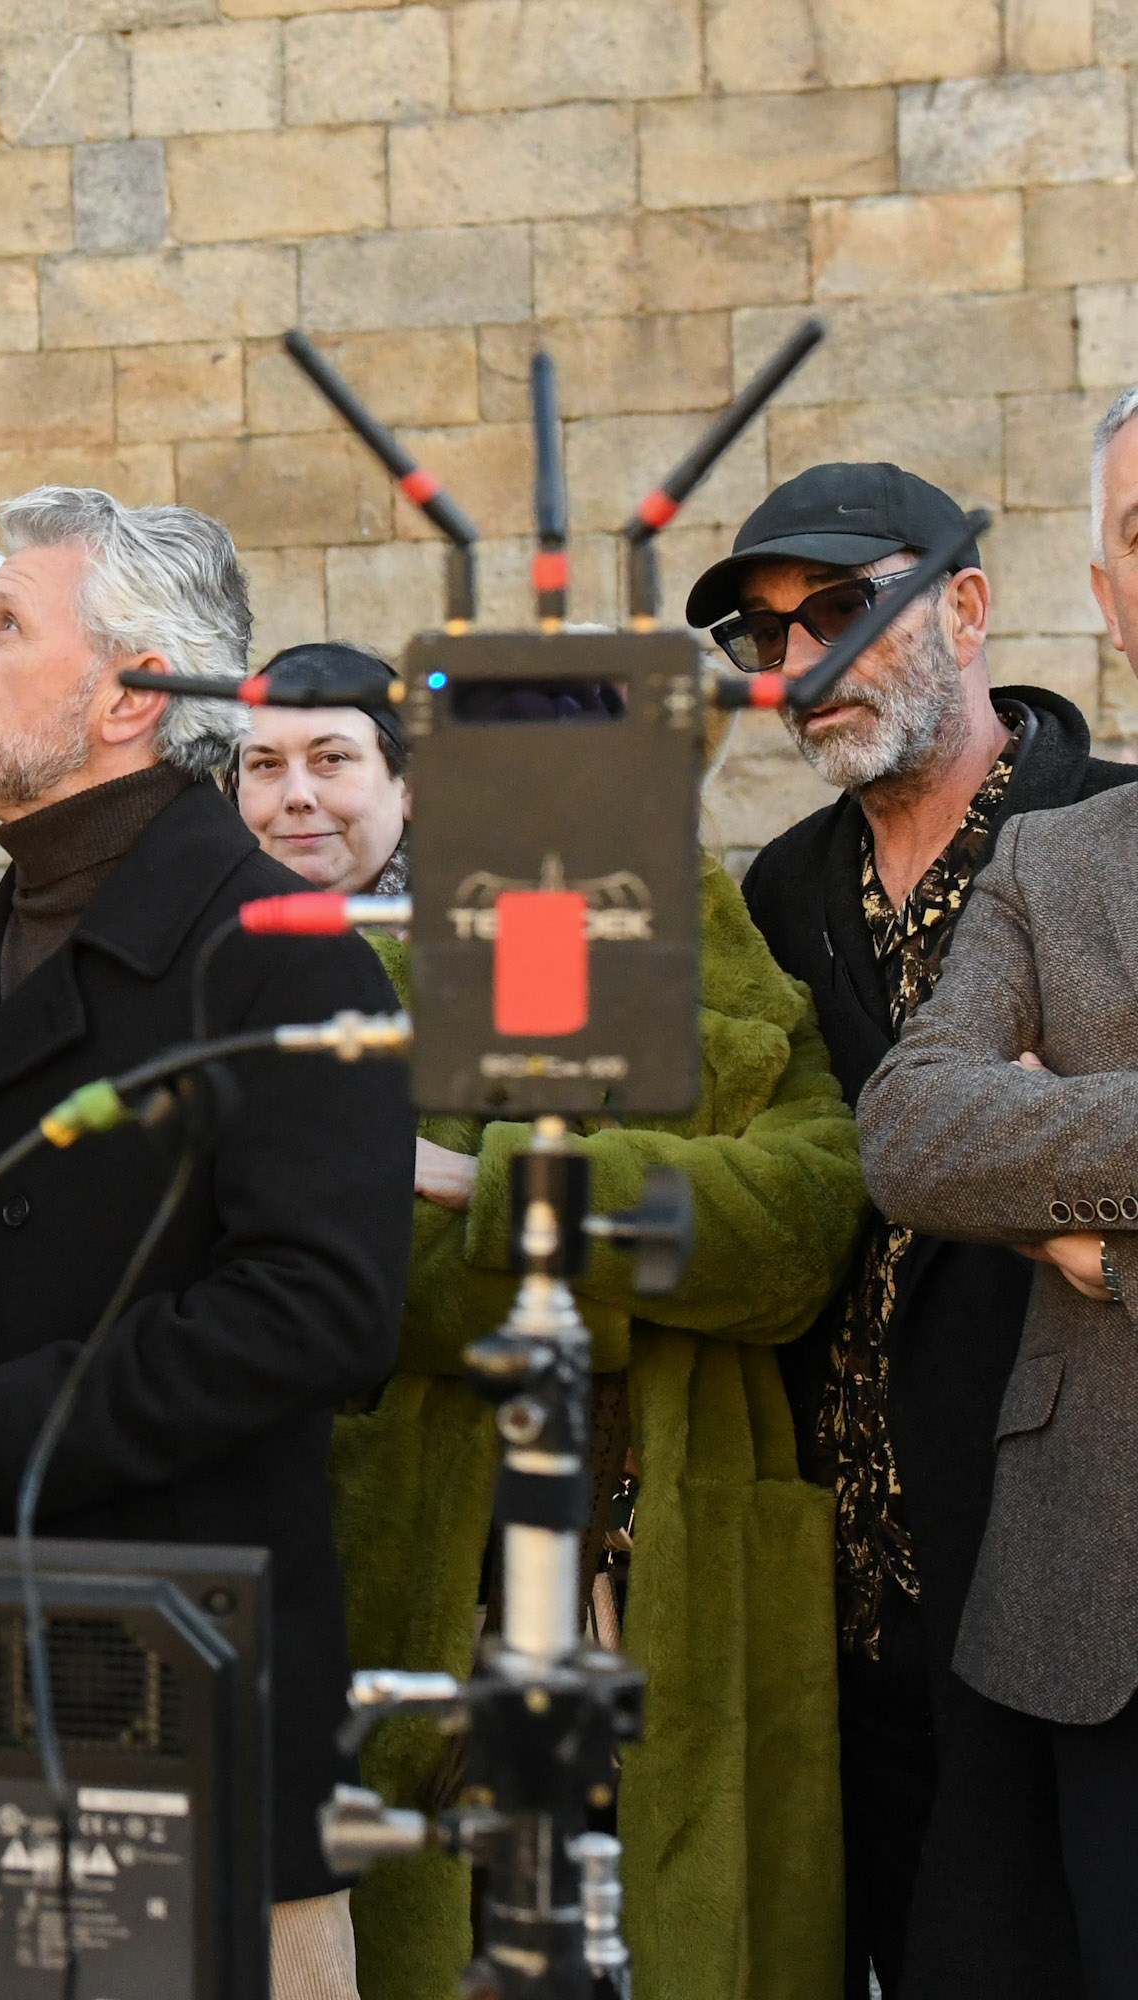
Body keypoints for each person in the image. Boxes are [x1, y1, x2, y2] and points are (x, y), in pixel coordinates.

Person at [0, 487, 411, 1996]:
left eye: (2, 625)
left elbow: (324, 1308)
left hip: (175, 1672)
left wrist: (8, 1423)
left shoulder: (290, 962)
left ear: (130, 695)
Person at [331, 739, 863, 1999]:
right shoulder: (386, 996)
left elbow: (803, 1231)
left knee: (679, 1940)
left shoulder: (748, 1015)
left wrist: (504, 1188)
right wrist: (670, 1272)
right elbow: (394, 1280)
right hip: (453, 1589)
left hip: (671, 1583)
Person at [720, 461, 1131, 1992]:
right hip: (834, 1594)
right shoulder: (781, 892)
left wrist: (1044, 1179)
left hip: (1059, 1589)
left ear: (966, 608)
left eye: (841, 607)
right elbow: (876, 1152)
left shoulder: (1099, 836)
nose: (801, 659)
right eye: (765, 632)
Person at [855, 785, 1138, 1997]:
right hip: (1100, 1592)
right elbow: (911, 1131)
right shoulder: (1055, 854)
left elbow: (994, 1139)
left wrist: (1106, 1250)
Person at [230, 642, 410, 893]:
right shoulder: (195, 913)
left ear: (410, 787)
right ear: (237, 790)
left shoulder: (462, 909)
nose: (297, 796)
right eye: (267, 764)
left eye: (332, 759)